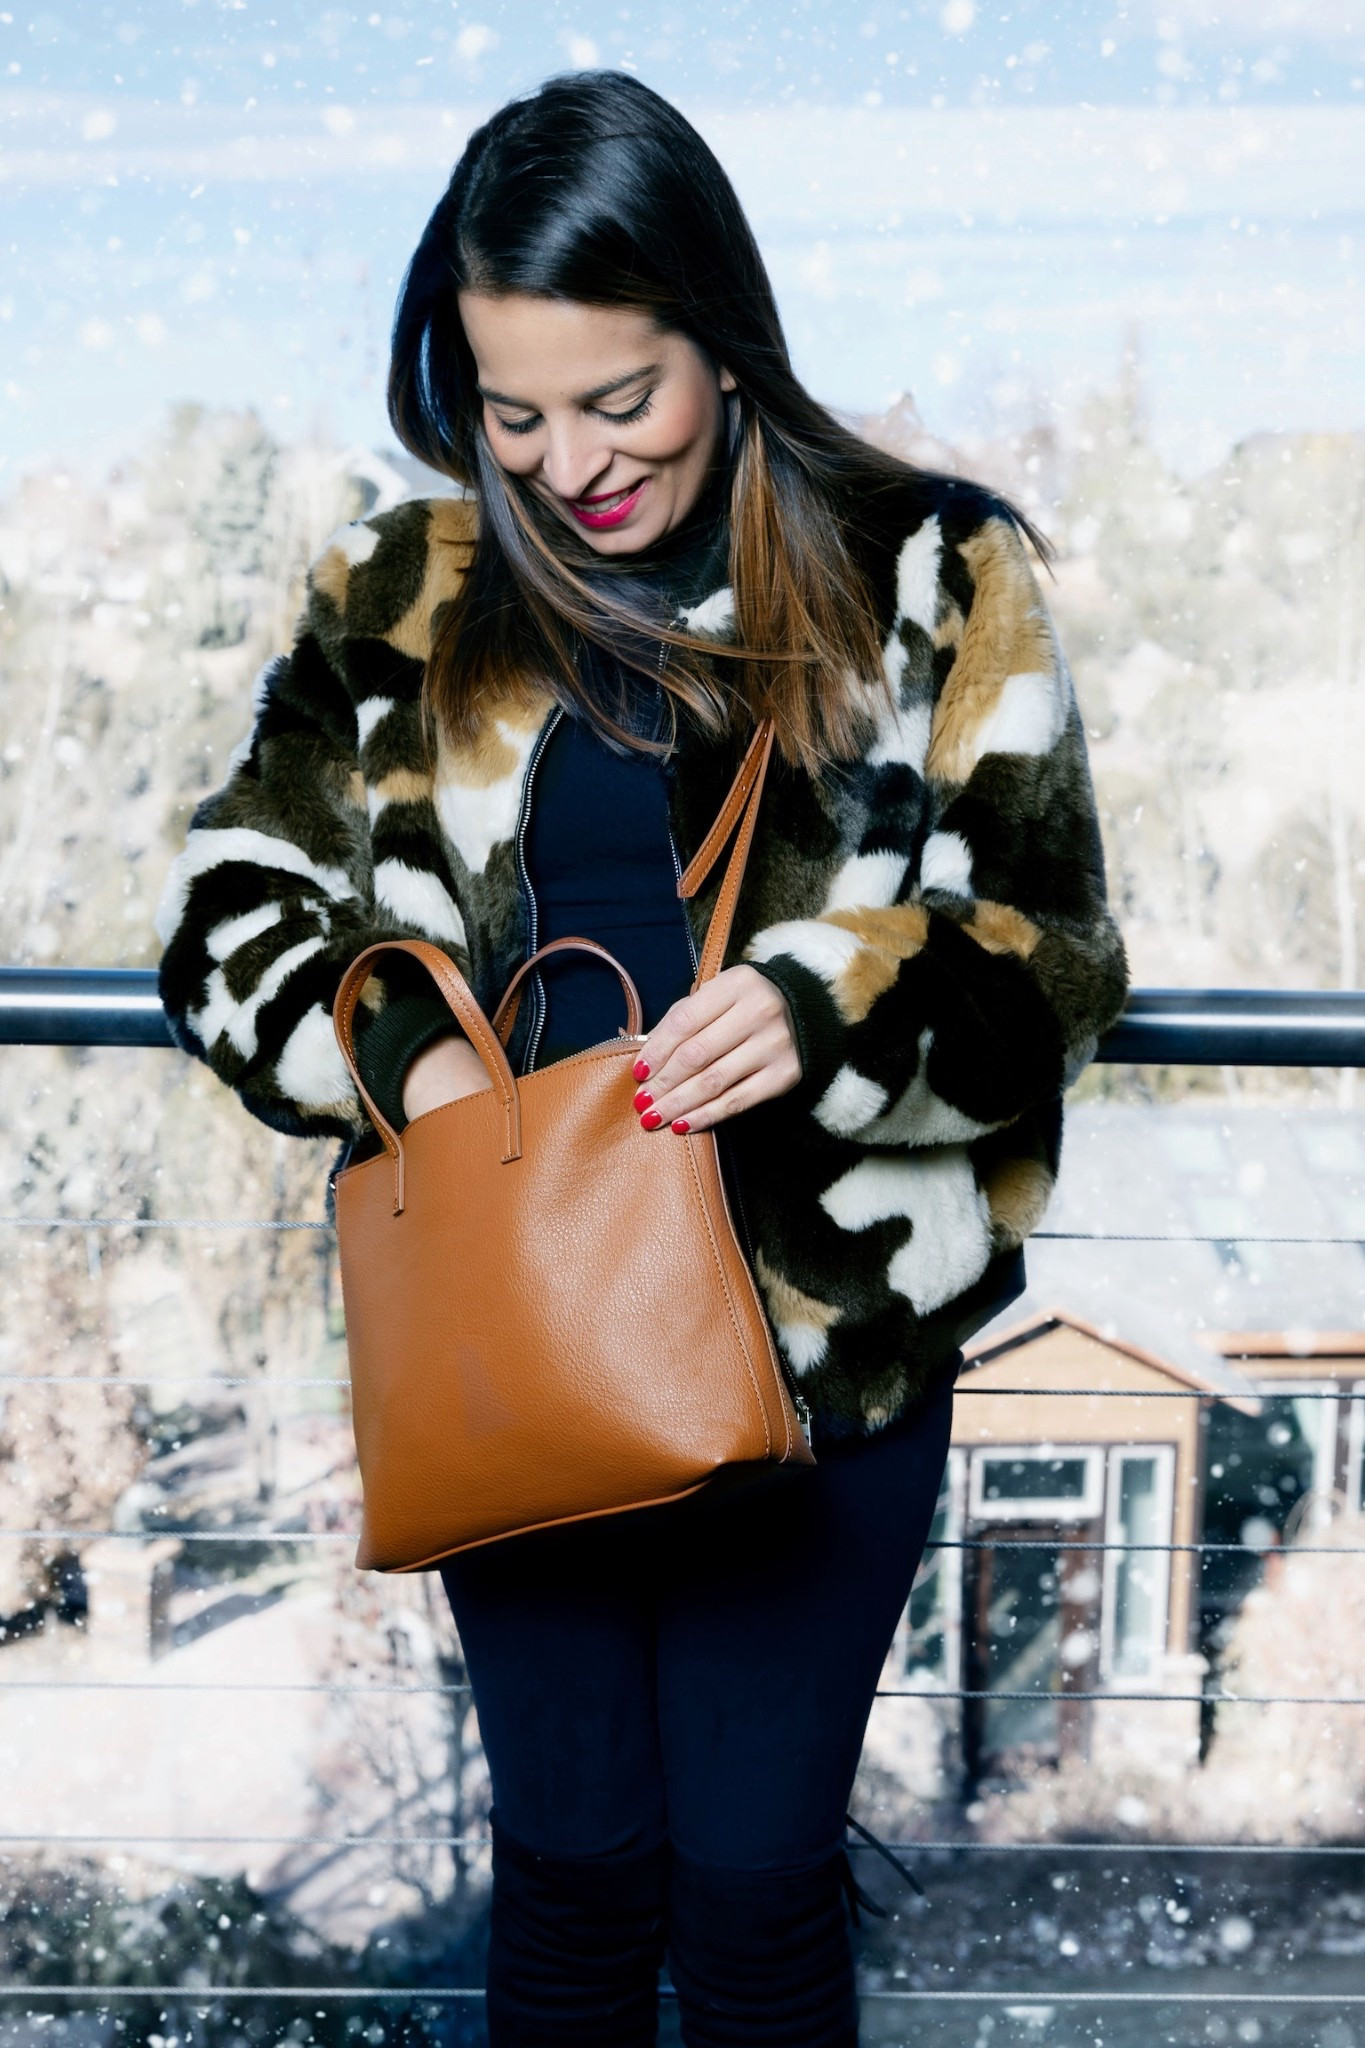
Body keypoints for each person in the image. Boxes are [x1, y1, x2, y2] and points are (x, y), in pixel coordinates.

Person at [157, 70, 1128, 2048]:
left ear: (723, 338)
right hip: (512, 1346)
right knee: (576, 1886)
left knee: (758, 1900)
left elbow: (1054, 954)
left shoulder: (923, 571)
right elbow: (231, 910)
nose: (570, 464)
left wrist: (821, 998)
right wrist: (414, 1056)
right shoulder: (399, 594)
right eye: (513, 414)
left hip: (822, 1372)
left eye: (622, 399)